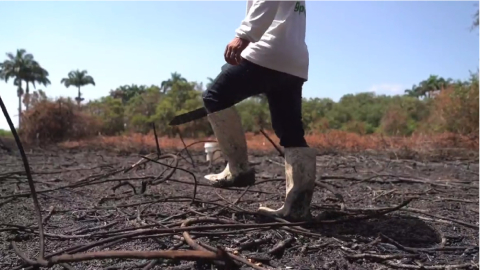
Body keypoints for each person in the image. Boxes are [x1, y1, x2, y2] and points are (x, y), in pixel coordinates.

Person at [201, 0, 316, 221]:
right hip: (294, 61)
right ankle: (298, 207)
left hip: (267, 53)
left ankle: (238, 169)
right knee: (291, 132)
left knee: (215, 97)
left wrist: (243, 36)